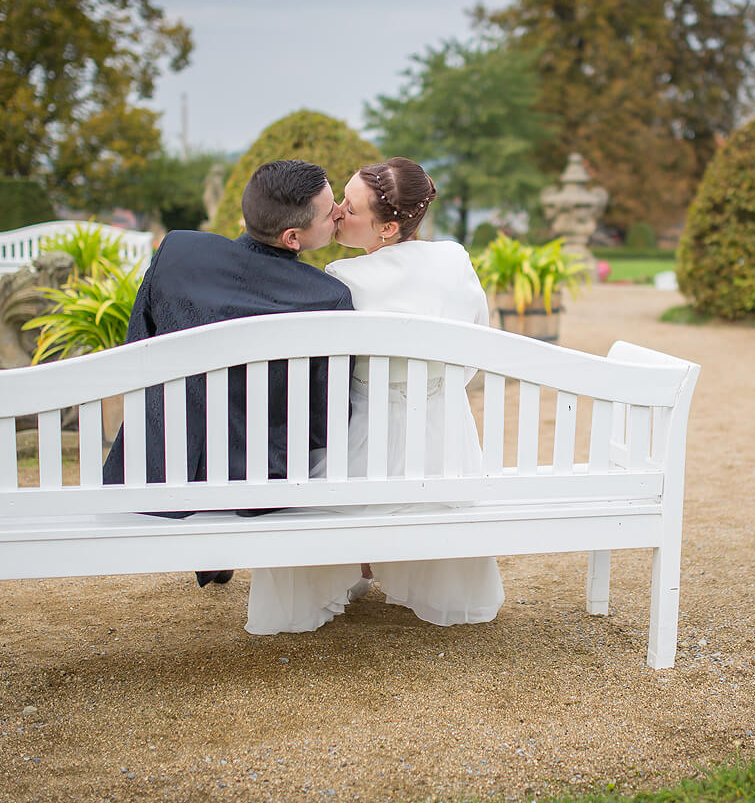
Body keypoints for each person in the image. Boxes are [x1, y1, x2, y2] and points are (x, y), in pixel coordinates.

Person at [245, 157, 503, 634]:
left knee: (306, 471)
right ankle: (435, 587)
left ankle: (329, 580)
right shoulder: (454, 259)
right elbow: (472, 352)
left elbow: (327, 379)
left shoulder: (342, 278)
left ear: (387, 227)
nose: (338, 212)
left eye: (350, 206)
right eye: (341, 199)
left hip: (360, 450)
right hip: (446, 448)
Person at [101, 159, 353, 586]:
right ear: (293, 238)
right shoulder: (327, 295)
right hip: (262, 481)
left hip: (157, 469)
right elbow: (326, 420)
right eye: (331, 212)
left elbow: (137, 354)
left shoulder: (177, 252)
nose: (339, 214)